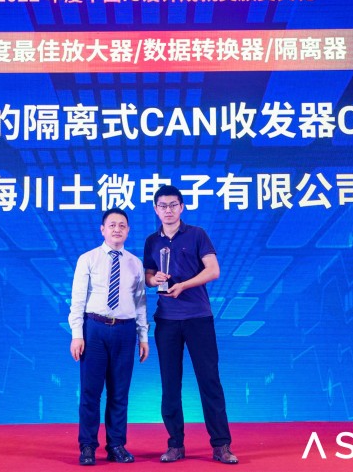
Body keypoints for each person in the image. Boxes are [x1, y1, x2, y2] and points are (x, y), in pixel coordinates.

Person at [143, 185, 238, 465]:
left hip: (198, 317)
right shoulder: (152, 241)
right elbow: (148, 276)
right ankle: (175, 444)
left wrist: (184, 285)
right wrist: (155, 280)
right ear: (156, 209)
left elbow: (213, 270)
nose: (168, 210)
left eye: (173, 205)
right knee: (170, 384)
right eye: (162, 205)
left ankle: (221, 445)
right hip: (166, 320)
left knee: (209, 381)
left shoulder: (197, 234)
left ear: (182, 207)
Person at [69, 207, 149, 466]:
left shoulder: (135, 263)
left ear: (128, 231)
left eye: (122, 225)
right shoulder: (88, 259)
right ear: (102, 229)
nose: (117, 229)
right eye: (112, 225)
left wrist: (143, 336)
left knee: (119, 392)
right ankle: (87, 446)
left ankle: (116, 445)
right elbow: (78, 299)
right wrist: (77, 334)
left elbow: (140, 303)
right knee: (90, 392)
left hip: (125, 331)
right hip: (95, 329)